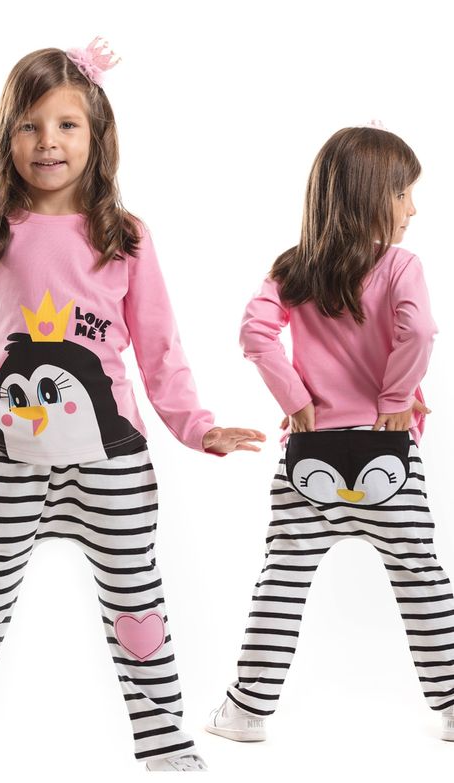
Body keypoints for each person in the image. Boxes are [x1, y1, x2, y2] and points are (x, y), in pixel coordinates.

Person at [0, 38, 265, 783]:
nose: (47, 142)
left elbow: (159, 348)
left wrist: (196, 426)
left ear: (96, 136)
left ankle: (164, 744)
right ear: (6, 135)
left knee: (136, 600)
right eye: (29, 126)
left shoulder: (124, 235)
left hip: (114, 460)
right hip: (11, 457)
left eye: (66, 125)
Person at [206, 124, 454, 746]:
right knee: (420, 576)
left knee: (282, 581)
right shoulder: (400, 266)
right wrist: (395, 397)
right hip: (387, 452)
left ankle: (246, 712)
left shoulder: (294, 269)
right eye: (403, 193)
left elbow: (255, 334)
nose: (413, 208)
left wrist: (297, 401)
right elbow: (420, 332)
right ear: (370, 195)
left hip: (309, 457)